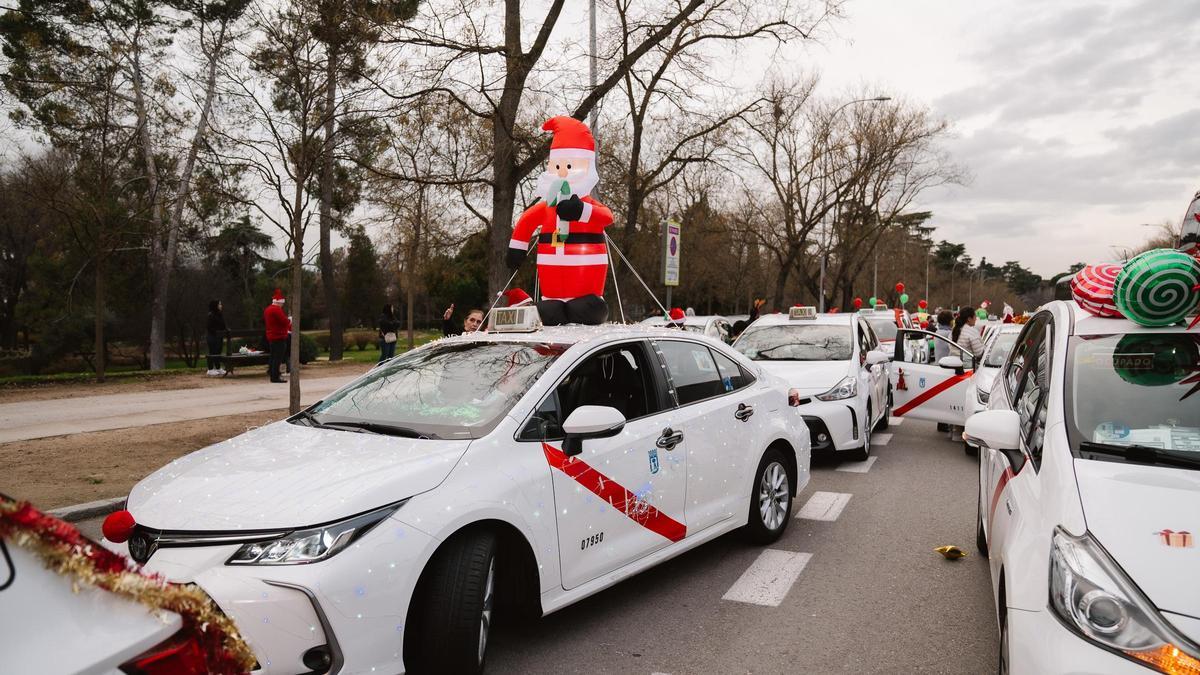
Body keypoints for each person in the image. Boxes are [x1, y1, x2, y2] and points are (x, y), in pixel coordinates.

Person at [264, 289, 291, 383]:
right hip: (278, 336)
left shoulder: (267, 309)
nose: (282, 305)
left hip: (271, 336)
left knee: (273, 356)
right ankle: (275, 376)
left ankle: (272, 373)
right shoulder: (277, 310)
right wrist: (289, 320)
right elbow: (284, 321)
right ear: (279, 302)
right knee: (278, 357)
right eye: (282, 303)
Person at [205, 300, 227, 376]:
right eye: (219, 304)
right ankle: (210, 369)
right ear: (215, 306)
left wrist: (225, 329)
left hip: (219, 337)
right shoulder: (210, 315)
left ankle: (218, 368)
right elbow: (209, 327)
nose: (221, 306)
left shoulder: (220, 314)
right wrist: (217, 332)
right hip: (212, 337)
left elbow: (223, 325)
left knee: (218, 352)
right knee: (212, 352)